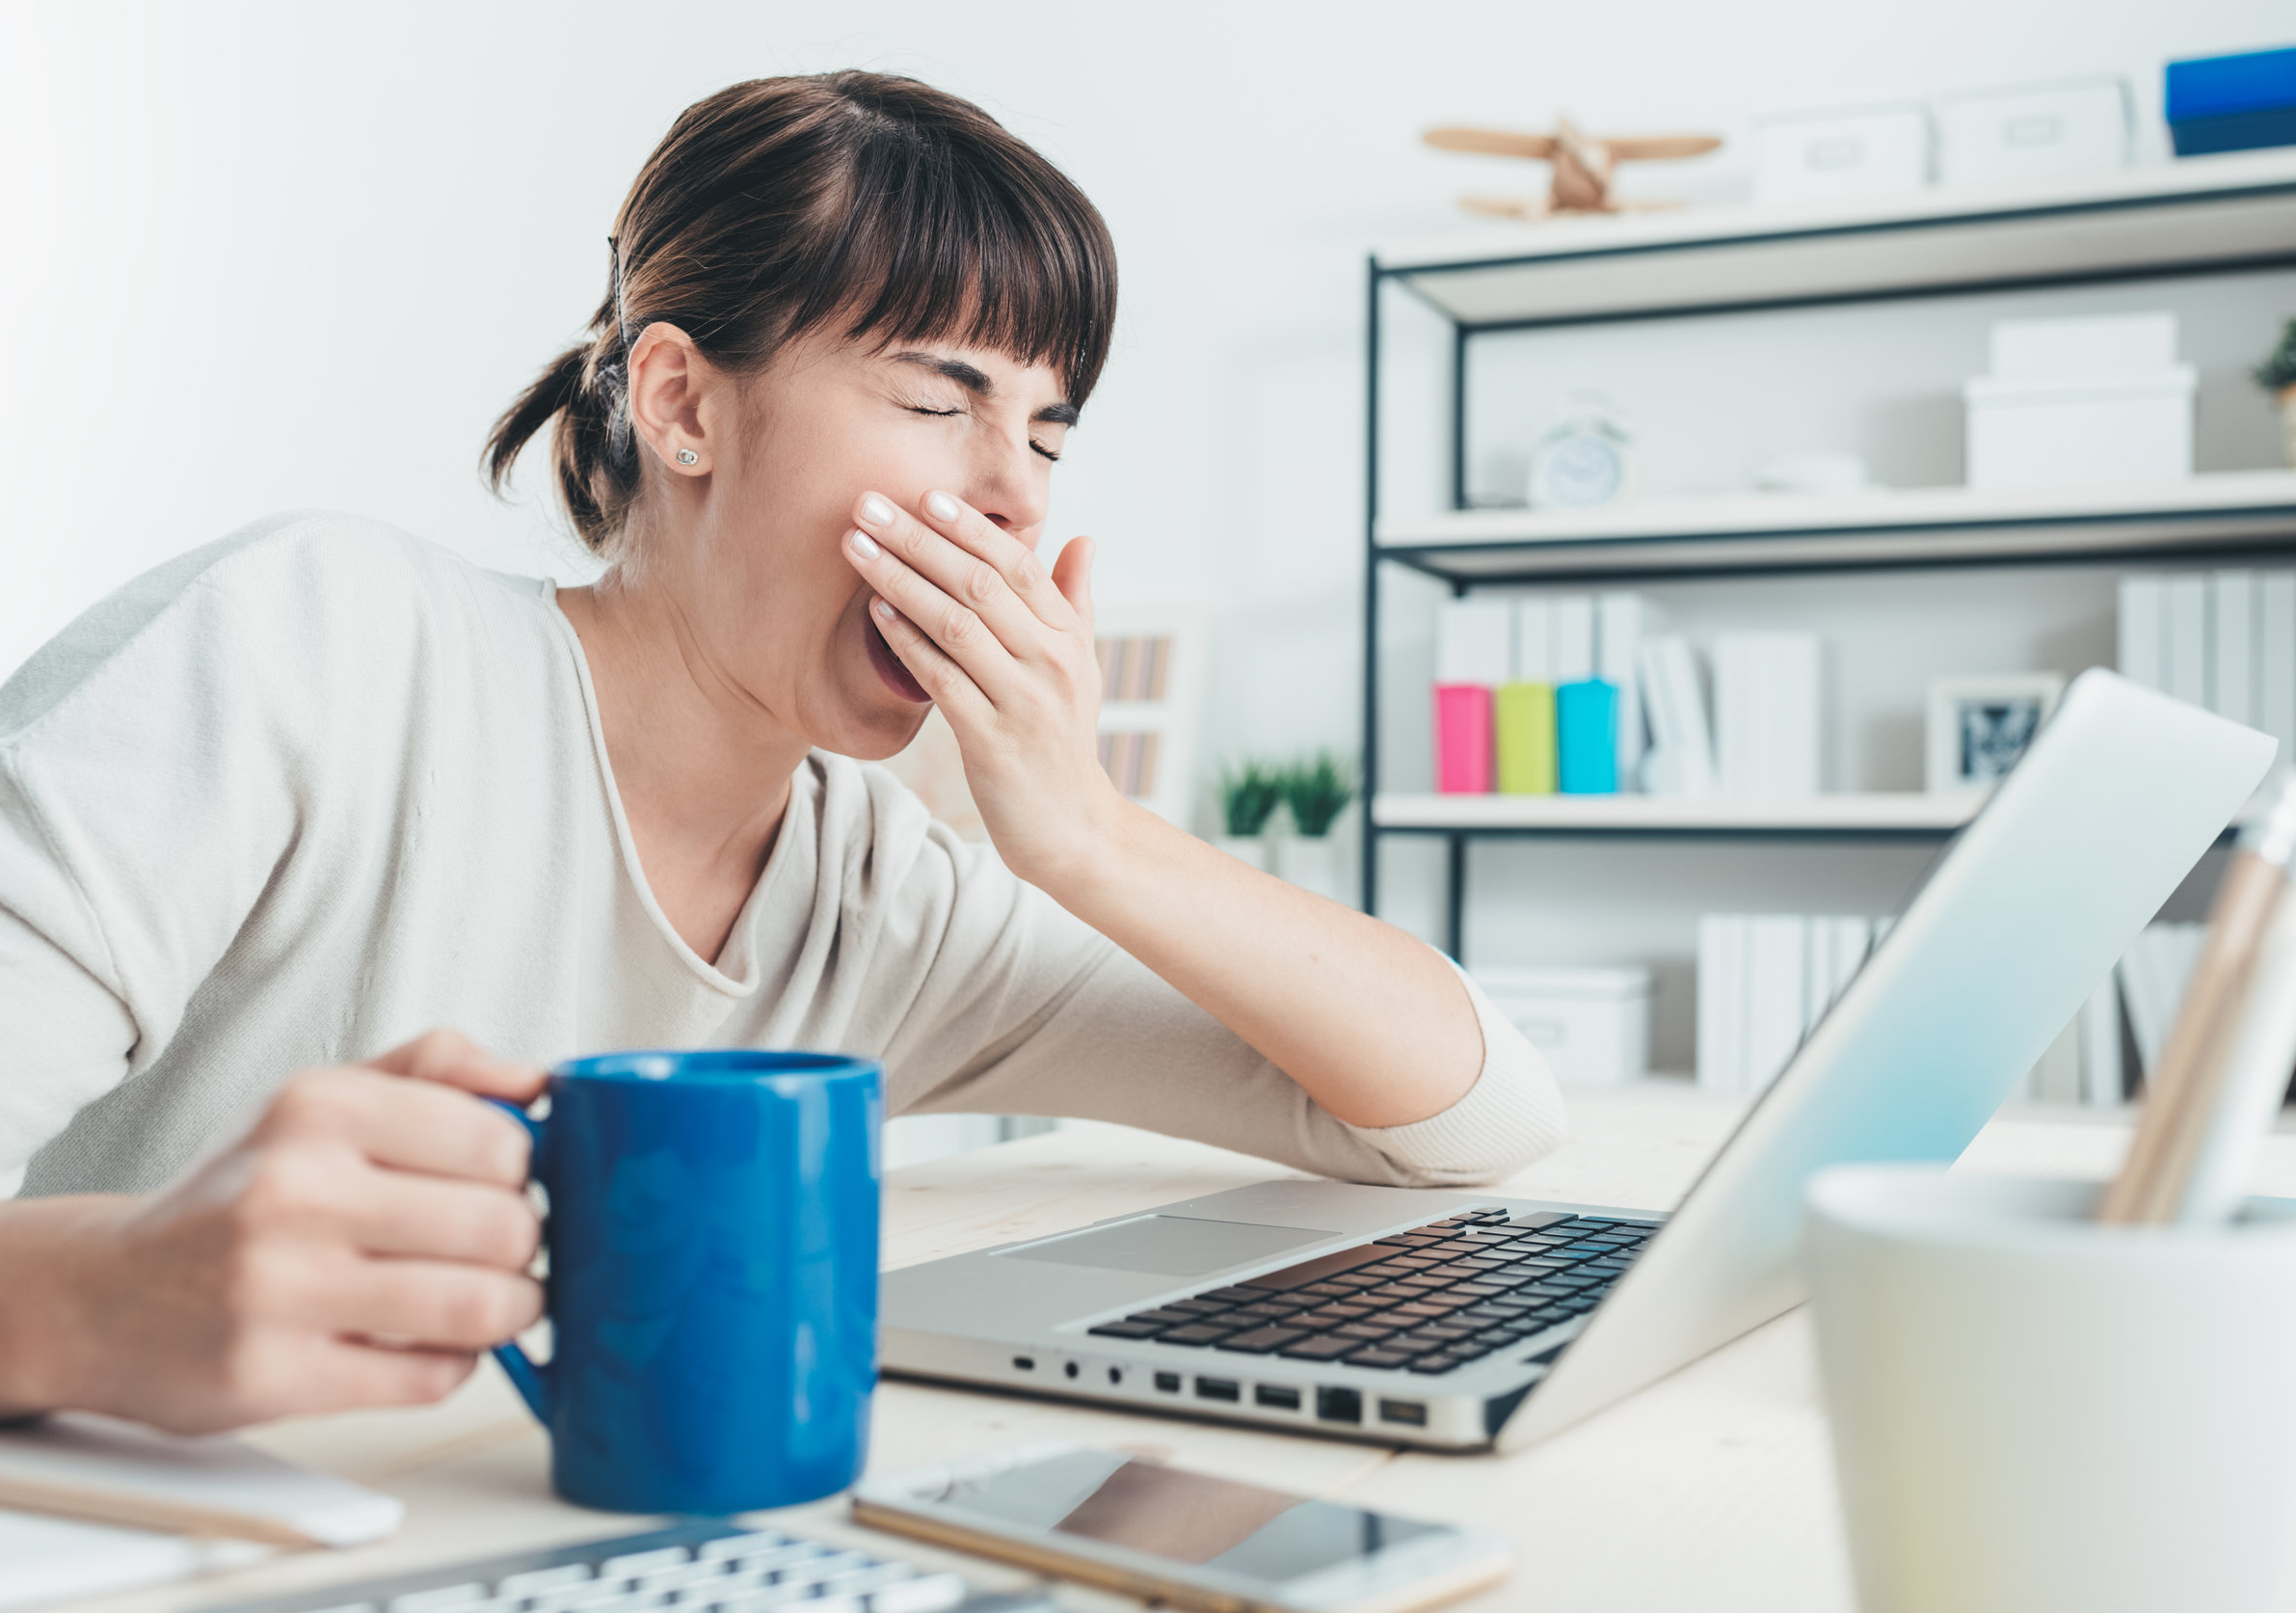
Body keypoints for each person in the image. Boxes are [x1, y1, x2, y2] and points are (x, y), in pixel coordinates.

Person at [0, 72, 1564, 1434]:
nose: (1016, 497)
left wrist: (1087, 833)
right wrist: (103, 1299)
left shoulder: (886, 901)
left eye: (1044, 432)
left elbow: (1461, 1114)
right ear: (681, 403)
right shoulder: (315, 643)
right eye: (939, 397)